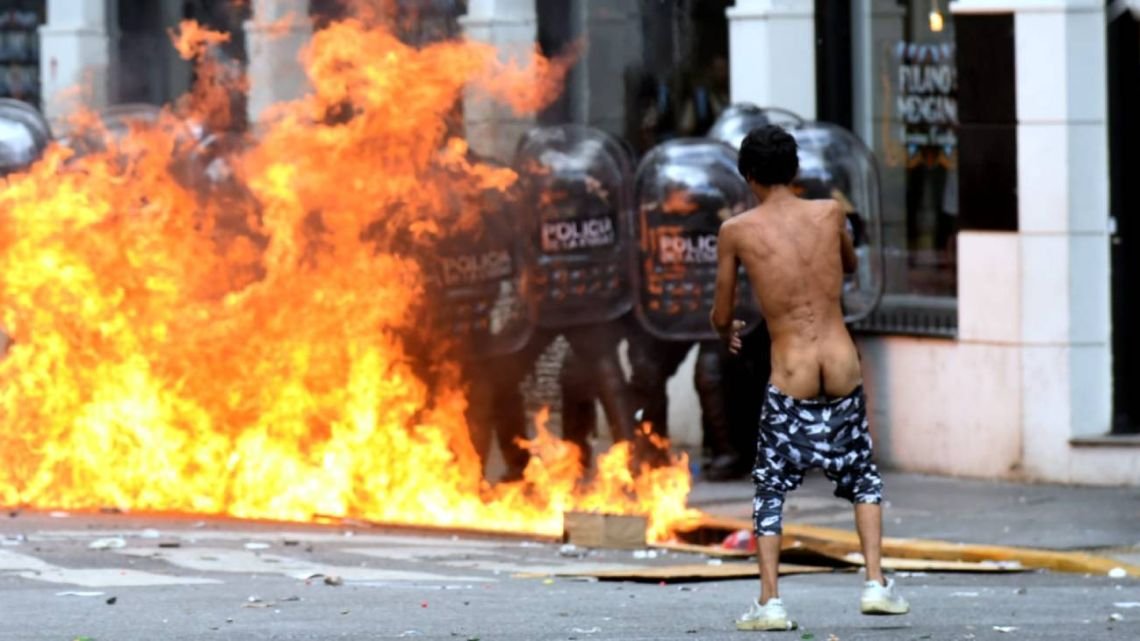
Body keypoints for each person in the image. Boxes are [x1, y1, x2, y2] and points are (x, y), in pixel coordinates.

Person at [710, 125, 910, 631]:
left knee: (770, 485)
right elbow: (848, 263)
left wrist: (725, 331)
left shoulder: (737, 230)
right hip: (841, 362)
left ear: (748, 175)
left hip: (792, 369)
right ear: (795, 169)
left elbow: (723, 310)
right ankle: (875, 583)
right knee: (863, 476)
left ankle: (770, 603)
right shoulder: (830, 212)